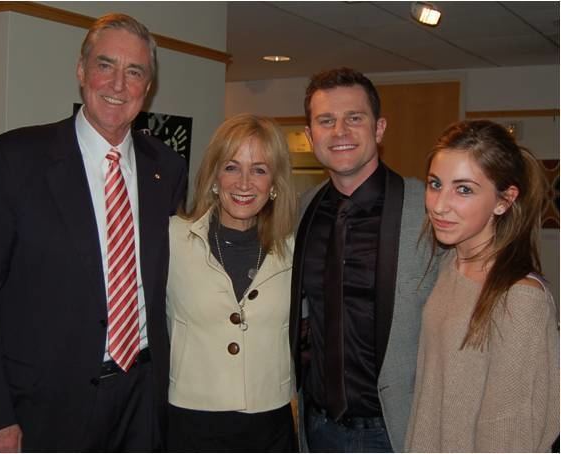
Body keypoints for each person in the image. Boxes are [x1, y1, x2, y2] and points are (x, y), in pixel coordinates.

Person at [0, 13, 187, 452]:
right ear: (81, 71)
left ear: (147, 88)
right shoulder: (14, 159)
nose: (118, 85)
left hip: (142, 398)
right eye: (106, 65)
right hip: (42, 406)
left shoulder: (166, 167)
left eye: (134, 72)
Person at [289, 67, 437, 453]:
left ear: (379, 128)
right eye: (326, 121)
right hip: (316, 426)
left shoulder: (427, 212)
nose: (340, 131)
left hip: (394, 430)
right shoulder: (302, 210)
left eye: (354, 118)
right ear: (310, 136)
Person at [405, 120, 560, 452]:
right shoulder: (448, 265)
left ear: (504, 201)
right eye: (435, 184)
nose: (439, 204)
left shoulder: (519, 298)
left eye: (464, 189)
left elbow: (507, 429)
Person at [165, 113, 297, 452]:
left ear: (274, 184)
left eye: (259, 169)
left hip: (269, 423)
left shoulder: (297, 249)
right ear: (214, 176)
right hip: (191, 422)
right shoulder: (172, 239)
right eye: (231, 167)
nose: (243, 183)